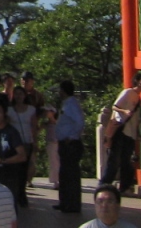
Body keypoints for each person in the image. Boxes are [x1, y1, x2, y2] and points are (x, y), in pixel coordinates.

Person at [100, 74, 141, 192]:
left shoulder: (138, 99)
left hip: (131, 134)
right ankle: (103, 185)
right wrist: (124, 111)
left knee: (126, 161)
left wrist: (138, 135)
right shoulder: (127, 92)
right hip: (121, 130)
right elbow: (115, 106)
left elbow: (136, 121)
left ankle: (124, 187)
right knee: (114, 160)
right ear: (137, 81)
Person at [53, 79, 85, 213]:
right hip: (64, 143)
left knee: (71, 175)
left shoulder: (72, 104)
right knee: (64, 174)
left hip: (70, 144)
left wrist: (71, 136)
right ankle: (64, 202)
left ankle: (72, 204)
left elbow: (79, 121)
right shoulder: (66, 104)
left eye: (60, 90)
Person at [6, 86, 37, 203]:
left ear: (24, 95)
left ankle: (22, 193)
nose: (18, 96)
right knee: (15, 169)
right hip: (14, 143)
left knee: (24, 169)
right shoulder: (10, 110)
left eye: (21, 94)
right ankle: (15, 193)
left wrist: (35, 142)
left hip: (27, 141)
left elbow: (34, 126)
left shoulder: (31, 109)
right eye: (16, 94)